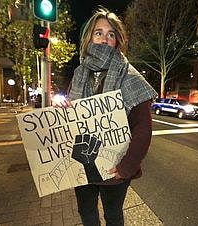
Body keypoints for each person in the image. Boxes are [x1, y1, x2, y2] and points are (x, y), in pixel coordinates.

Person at [59, 7, 157, 226]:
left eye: (111, 34)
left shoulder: (131, 77)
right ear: (88, 38)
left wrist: (127, 167)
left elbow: (143, 129)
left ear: (118, 40)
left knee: (113, 215)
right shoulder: (79, 74)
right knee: (86, 211)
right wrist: (64, 109)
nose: (104, 38)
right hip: (81, 162)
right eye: (98, 33)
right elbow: (73, 116)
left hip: (115, 167)